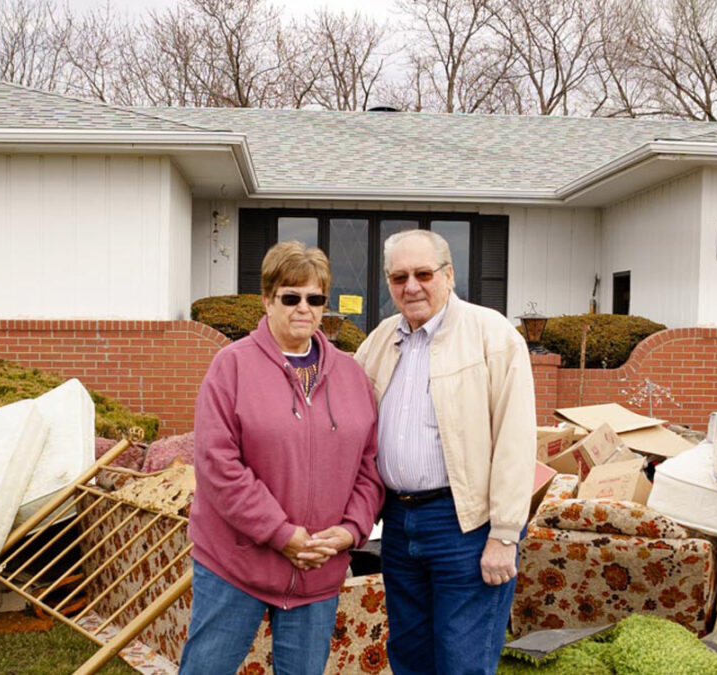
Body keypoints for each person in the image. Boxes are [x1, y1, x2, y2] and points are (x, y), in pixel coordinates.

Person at [180, 241, 385, 675]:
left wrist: (349, 531)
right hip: (236, 566)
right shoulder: (231, 367)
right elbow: (218, 465)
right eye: (291, 297)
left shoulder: (352, 376)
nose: (304, 308)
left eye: (315, 299)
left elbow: (369, 468)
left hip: (318, 570)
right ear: (267, 299)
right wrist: (281, 533)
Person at [354, 229, 537, 675]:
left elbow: (515, 439)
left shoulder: (492, 334)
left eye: (423, 274)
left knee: (462, 661)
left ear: (449, 274)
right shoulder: (378, 341)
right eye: (399, 277)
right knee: (410, 655)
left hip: (467, 524)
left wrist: (504, 534)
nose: (411, 286)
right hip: (398, 523)